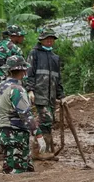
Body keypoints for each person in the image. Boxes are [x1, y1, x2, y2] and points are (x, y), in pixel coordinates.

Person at [0, 56, 37, 174]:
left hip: (3, 132)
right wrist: (38, 133)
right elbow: (25, 114)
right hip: (15, 133)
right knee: (17, 171)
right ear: (23, 72)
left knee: (11, 164)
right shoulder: (17, 89)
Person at [25, 29, 64, 157]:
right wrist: (30, 89)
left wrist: (60, 95)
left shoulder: (55, 57)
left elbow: (58, 78)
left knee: (48, 122)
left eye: (52, 39)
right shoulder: (34, 54)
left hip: (51, 96)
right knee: (46, 120)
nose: (49, 41)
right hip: (39, 94)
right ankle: (39, 151)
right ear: (41, 40)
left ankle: (44, 150)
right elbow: (29, 73)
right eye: (47, 38)